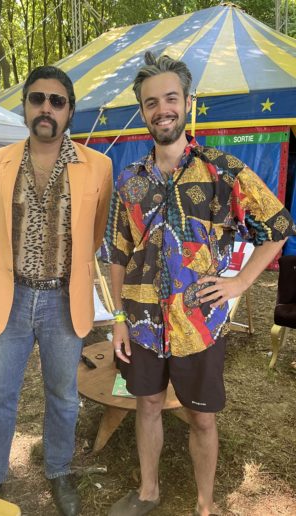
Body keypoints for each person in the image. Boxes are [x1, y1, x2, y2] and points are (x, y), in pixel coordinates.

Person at [108, 52, 296, 516]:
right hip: (142, 321)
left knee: (202, 417)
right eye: (151, 102)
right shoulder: (129, 182)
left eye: (170, 98)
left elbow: (279, 227)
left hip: (200, 322)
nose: (162, 110)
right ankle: (148, 492)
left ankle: (205, 505)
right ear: (142, 111)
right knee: (147, 405)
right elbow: (118, 254)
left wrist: (239, 283)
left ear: (187, 103)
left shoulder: (222, 170)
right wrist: (118, 318)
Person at [0, 65, 112, 516]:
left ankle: (58, 469)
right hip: (10, 297)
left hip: (63, 301)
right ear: (25, 106)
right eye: (37, 99)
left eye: (57, 101)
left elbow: (94, 233)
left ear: (70, 111)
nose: (46, 108)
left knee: (64, 397)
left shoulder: (98, 166)